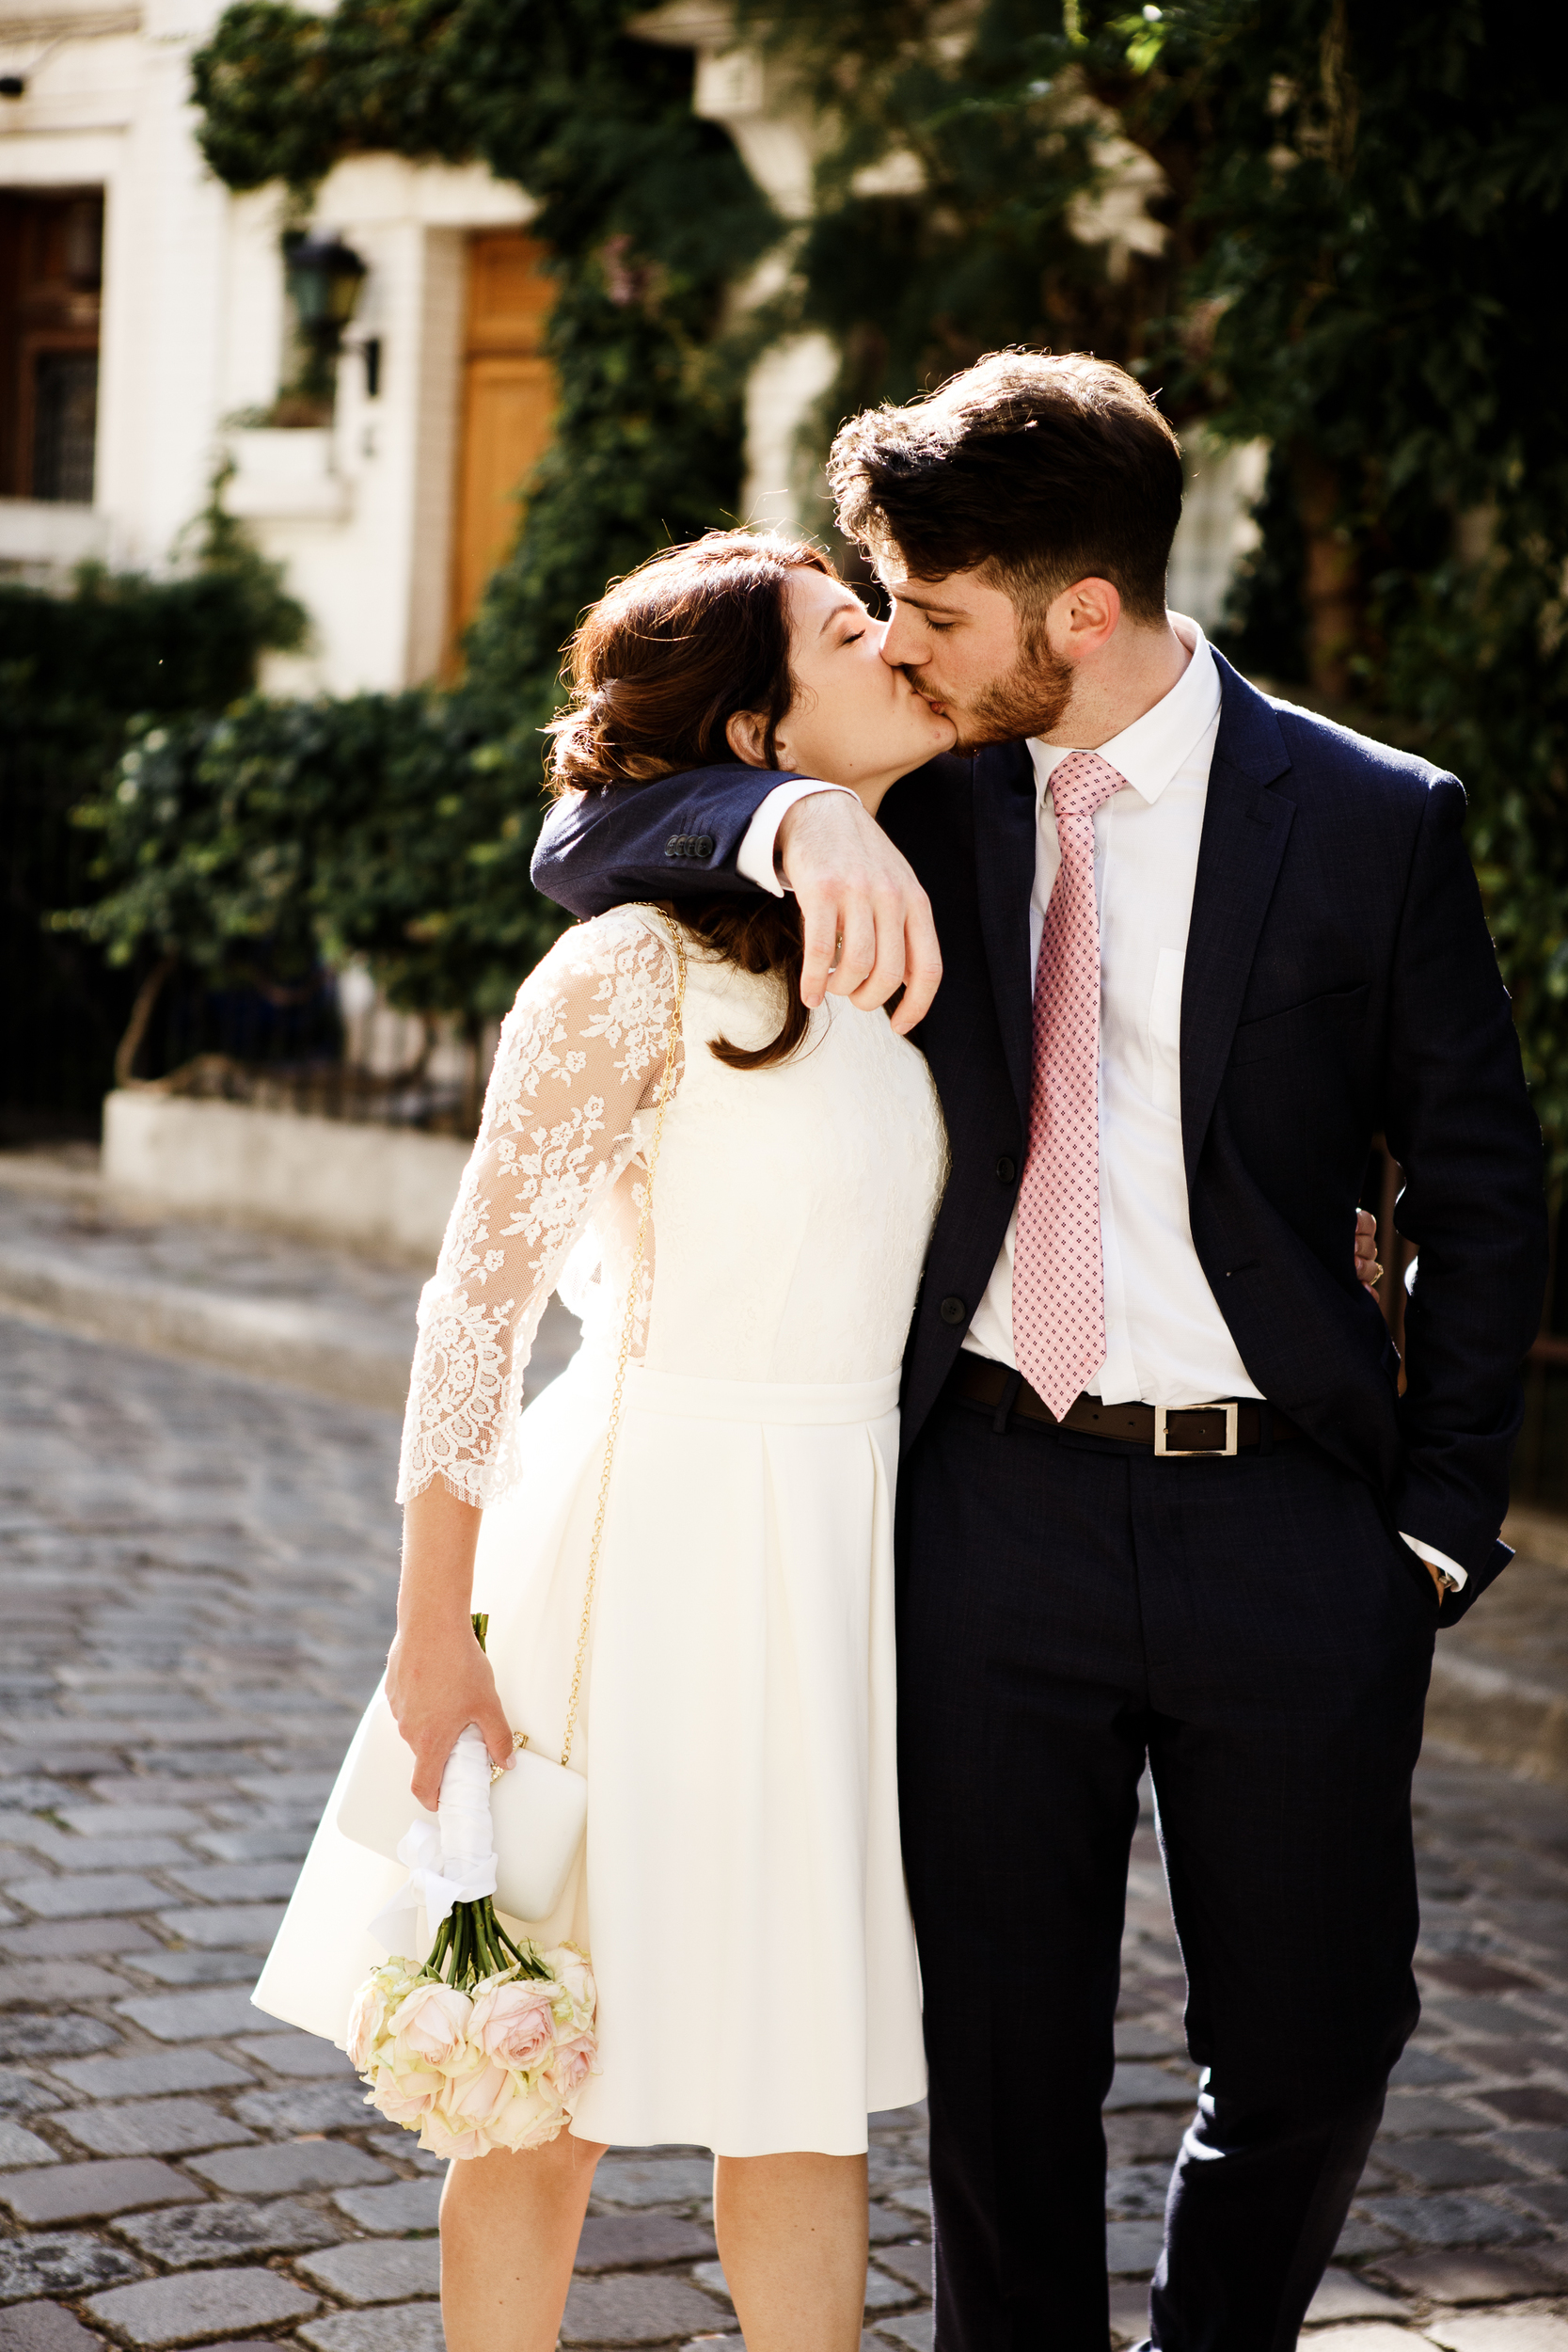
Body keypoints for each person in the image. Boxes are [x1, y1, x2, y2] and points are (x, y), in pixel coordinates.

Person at [531, 353, 1549, 2352]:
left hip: (1291, 1520)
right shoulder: (921, 790)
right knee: (1001, 2067)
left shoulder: (1367, 818)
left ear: (1078, 614)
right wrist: (779, 821)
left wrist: (1433, 1525)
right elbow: (591, 838)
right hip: (987, 1503)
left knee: (1323, 2034)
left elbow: (1488, 1185)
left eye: (929, 608)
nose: (898, 643)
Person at [255, 531, 958, 2352]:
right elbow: (473, 1311)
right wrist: (434, 1637)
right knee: (539, 2081)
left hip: (838, 1556)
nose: (893, 643)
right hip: (633, 1548)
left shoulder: (902, 921)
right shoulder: (629, 969)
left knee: (802, 2081)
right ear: (749, 724)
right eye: (844, 627)